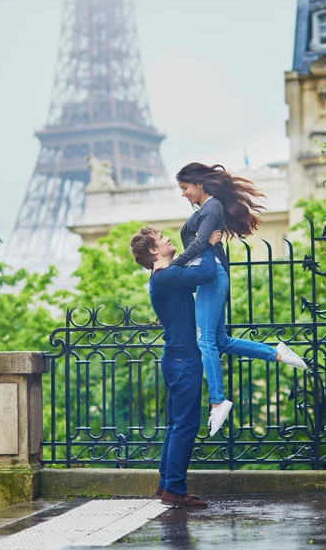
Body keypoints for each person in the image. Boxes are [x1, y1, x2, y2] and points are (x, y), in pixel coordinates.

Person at [171, 162, 308, 438]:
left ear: (199, 184)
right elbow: (201, 244)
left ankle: (218, 400)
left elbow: (198, 245)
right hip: (208, 277)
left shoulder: (211, 207)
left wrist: (172, 267)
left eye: (185, 188)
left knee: (204, 340)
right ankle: (278, 353)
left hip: (210, 278)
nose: (183, 193)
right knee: (219, 341)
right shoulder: (206, 209)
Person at [130, 226, 222, 509]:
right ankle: (174, 490)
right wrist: (206, 244)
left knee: (177, 426)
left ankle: (167, 484)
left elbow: (193, 278)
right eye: (162, 239)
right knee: (185, 426)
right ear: (154, 251)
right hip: (183, 360)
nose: (169, 239)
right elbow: (205, 274)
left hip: (177, 359)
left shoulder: (164, 277)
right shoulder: (166, 276)